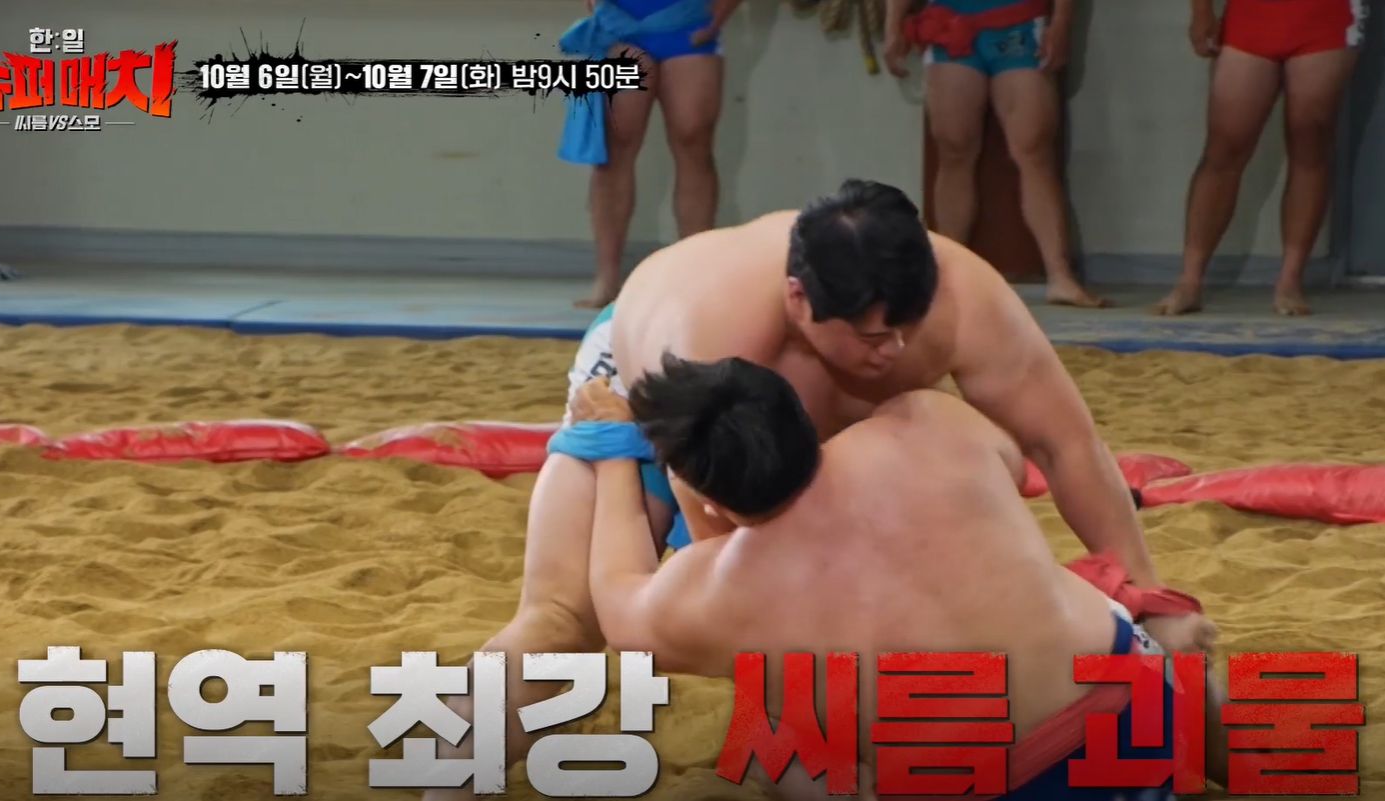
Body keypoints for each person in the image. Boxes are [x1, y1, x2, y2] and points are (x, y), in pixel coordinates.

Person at [422, 180, 1213, 801]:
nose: (893, 350)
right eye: (871, 336)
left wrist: (1150, 594)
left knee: (835, 664)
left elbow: (1063, 443)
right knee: (563, 622)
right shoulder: (708, 336)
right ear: (799, 303)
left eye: (906, 329)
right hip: (644, 399)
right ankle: (442, 774)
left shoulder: (958, 302)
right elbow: (728, 574)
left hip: (815, 454)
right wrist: (608, 452)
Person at [569, 359, 1228, 799]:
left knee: (769, 719)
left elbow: (615, 592)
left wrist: (612, 449)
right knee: (1053, 580)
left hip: (1006, 787)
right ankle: (1225, 745)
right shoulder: (929, 422)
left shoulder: (708, 594)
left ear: (708, 497)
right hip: (1141, 724)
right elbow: (1008, 466)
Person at [883, 0, 1107, 308]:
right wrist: (892, 25)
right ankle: (945, 276)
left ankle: (1060, 275)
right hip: (950, 23)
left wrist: (1061, 24)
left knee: (1034, 148)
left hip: (1021, 22)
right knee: (953, 148)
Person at [1154, 0, 1365, 317]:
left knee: (1310, 143)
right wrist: (1201, 12)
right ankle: (1189, 281)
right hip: (1251, 15)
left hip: (1326, 16)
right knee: (1224, 147)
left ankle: (1290, 281)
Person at [566, 0, 744, 309]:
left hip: (688, 22)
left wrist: (714, 20)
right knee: (614, 150)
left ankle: (696, 275)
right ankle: (606, 278)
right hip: (621, 25)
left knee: (693, 143)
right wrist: (602, 14)